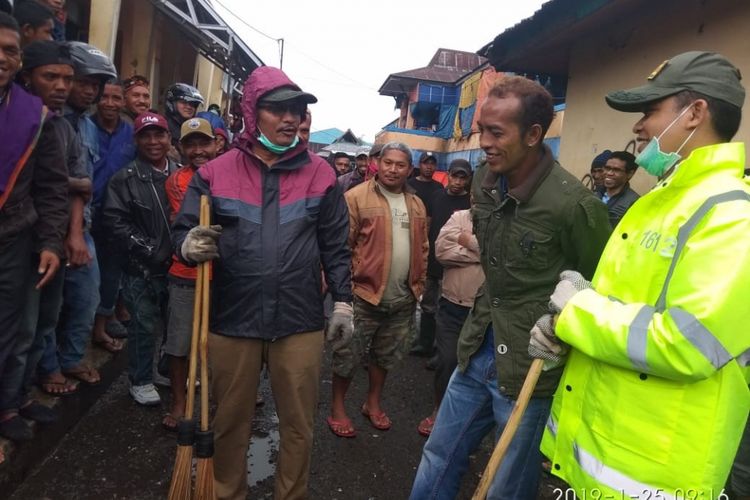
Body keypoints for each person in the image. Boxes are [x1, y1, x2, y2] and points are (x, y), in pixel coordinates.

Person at [534, 51, 750, 499]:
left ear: (695, 113)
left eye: (651, 110)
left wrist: (576, 314)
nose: (638, 127)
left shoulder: (732, 214)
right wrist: (566, 327)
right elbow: (625, 308)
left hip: (653, 476)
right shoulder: (665, 200)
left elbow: (687, 343)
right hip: (599, 454)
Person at [410, 76, 611, 499]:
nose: (483, 141)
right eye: (482, 129)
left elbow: (599, 286)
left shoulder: (574, 206)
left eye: (496, 132)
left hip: (529, 367)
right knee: (438, 456)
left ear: (534, 135)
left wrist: (564, 325)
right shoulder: (484, 179)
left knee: (508, 486)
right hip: (476, 344)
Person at [172, 66, 352, 500]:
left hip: (300, 319)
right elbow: (181, 233)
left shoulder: (321, 174)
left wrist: (344, 302)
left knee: (298, 426)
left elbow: (335, 246)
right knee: (230, 422)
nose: (291, 118)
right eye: (279, 109)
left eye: (297, 110)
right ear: (253, 112)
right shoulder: (215, 173)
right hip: (233, 317)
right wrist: (188, 245)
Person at [329, 141, 428, 438]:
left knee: (385, 357)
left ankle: (372, 403)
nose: (393, 169)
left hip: (402, 297)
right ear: (377, 163)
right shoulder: (355, 198)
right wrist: (343, 295)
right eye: (388, 163)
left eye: (400, 165)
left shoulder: (416, 203)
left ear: (409, 170)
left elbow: (423, 247)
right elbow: (341, 246)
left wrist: (419, 286)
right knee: (347, 355)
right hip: (363, 295)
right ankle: (337, 408)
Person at [0, 16, 68, 440]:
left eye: (9, 50)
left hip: (13, 239)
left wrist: (50, 242)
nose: (1, 58)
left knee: (12, 329)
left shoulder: (33, 116)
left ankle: (6, 406)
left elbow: (51, 187)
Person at [35, 41, 116, 391]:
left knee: (86, 298)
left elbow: (81, 184)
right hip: (46, 226)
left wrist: (78, 230)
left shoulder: (84, 125)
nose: (88, 90)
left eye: (95, 85)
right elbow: (50, 178)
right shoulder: (43, 118)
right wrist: (73, 232)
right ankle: (49, 368)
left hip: (78, 225)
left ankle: (68, 359)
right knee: (45, 308)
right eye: (84, 81)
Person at [101, 111, 178, 406]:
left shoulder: (182, 174)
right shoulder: (124, 179)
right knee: (143, 326)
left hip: (179, 267)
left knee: (175, 325)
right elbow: (115, 222)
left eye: (159, 134)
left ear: (169, 138)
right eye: (145, 136)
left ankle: (167, 369)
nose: (153, 141)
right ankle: (140, 379)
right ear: (136, 140)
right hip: (140, 268)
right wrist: (149, 251)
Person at [162, 117, 217, 430]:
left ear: (216, 144)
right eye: (190, 144)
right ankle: (179, 402)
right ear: (180, 148)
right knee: (180, 343)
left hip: (222, 275)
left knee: (220, 343)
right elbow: (191, 222)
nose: (198, 150)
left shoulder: (228, 175)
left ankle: (222, 396)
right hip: (186, 271)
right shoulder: (177, 182)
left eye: (203, 143)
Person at [417, 207, 484, 437]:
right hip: (452, 306)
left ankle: (466, 420)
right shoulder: (459, 217)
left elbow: (506, 256)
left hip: (484, 312)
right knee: (447, 360)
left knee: (478, 367)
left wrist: (468, 242)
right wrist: (482, 252)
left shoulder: (504, 219)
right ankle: (439, 410)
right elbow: (442, 251)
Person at [89, 78, 136, 351]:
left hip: (115, 215)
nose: (109, 103)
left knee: (110, 275)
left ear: (123, 102)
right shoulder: (84, 127)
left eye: (116, 98)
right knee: (82, 280)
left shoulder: (130, 134)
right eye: (104, 96)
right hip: (82, 212)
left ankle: (99, 329)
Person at [411, 159, 472, 360]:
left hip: (455, 264)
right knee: (428, 304)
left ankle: (440, 353)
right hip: (432, 261)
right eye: (455, 176)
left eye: (463, 178)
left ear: (468, 180)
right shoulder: (437, 196)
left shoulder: (470, 202)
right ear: (449, 175)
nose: (458, 181)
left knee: (446, 309)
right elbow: (427, 225)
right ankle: (424, 344)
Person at [597, 150, 639, 227]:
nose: (609, 173)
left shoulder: (634, 202)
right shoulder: (594, 194)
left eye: (616, 170)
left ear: (630, 174)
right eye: (607, 168)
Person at [164, 82, 203, 149]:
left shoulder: (195, 127)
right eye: (183, 102)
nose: (189, 107)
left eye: (193, 104)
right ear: (172, 102)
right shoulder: (163, 126)